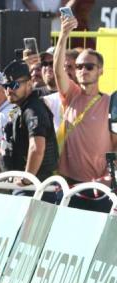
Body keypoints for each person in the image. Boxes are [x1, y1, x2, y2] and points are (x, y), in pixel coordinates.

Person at [53, 13, 116, 212]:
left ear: (101, 71)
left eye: (89, 66)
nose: (83, 70)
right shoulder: (70, 94)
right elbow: (57, 71)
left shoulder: (111, 101)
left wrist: (110, 177)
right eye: (79, 66)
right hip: (67, 185)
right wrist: (63, 35)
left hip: (100, 187)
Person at [0, 60, 58, 186]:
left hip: (35, 187)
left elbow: (36, 148)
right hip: (25, 183)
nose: (9, 90)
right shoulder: (21, 109)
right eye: (6, 86)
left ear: (29, 84)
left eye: (14, 85)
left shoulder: (33, 110)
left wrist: (26, 179)